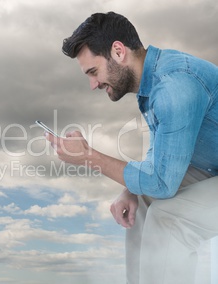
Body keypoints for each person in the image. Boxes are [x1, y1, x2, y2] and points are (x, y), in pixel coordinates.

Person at [46, 11, 218, 284]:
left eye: (93, 72)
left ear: (118, 51)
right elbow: (161, 153)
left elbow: (163, 183)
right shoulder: (151, 82)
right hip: (212, 167)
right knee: (139, 201)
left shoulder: (174, 87)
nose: (93, 84)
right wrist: (130, 189)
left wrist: (89, 157)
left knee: (168, 218)